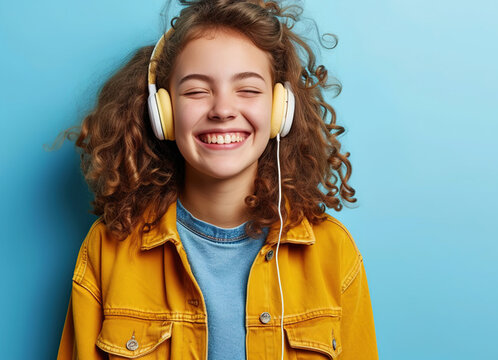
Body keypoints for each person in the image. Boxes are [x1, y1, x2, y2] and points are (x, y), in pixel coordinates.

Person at [55, 0, 378, 359]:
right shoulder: (107, 249)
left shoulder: (333, 252)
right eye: (196, 91)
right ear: (163, 112)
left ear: (279, 110)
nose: (223, 109)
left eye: (248, 89)